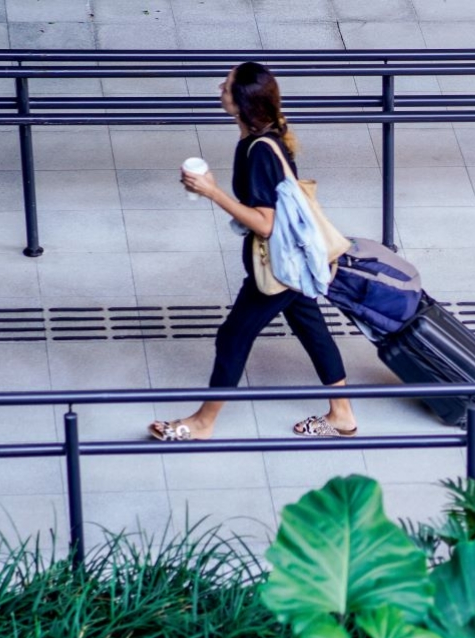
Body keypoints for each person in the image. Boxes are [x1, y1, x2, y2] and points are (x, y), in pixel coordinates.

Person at [149, 62, 357, 441]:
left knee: (233, 336)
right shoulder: (263, 138)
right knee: (311, 328)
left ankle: (202, 423)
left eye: (225, 86)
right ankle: (341, 414)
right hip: (290, 262)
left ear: (242, 103)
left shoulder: (259, 151)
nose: (220, 89)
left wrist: (211, 191)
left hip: (277, 269)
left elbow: (266, 224)